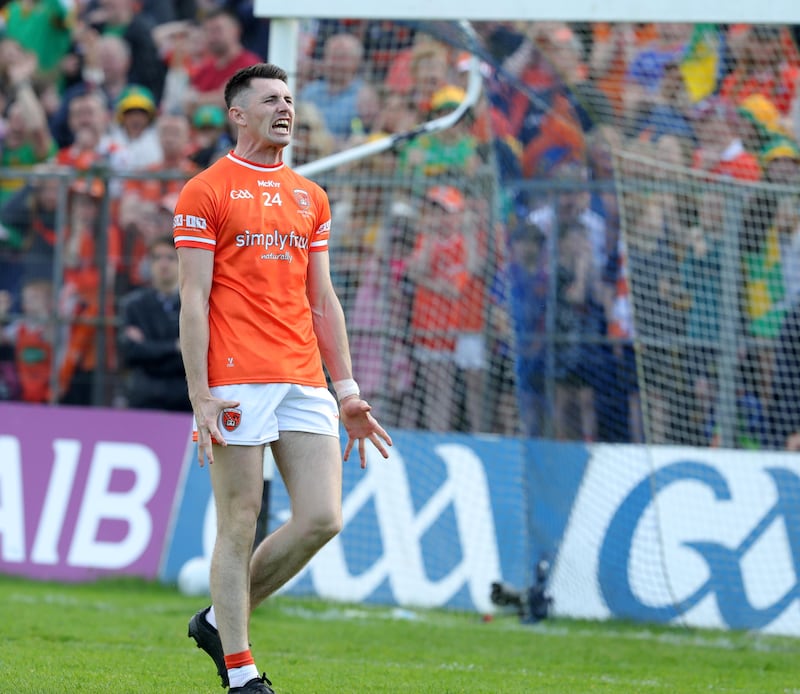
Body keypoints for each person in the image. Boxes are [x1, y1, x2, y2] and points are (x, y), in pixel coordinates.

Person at [174, 63, 392, 694]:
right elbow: (194, 301)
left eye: (290, 99)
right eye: (270, 99)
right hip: (235, 377)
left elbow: (322, 299)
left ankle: (219, 621)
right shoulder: (205, 190)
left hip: (302, 377)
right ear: (237, 113)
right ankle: (242, 674)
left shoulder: (310, 196)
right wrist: (200, 395)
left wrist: (347, 390)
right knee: (240, 518)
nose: (286, 108)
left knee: (322, 518)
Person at [118, 235, 189, 410]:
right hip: (146, 398)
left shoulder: (194, 304)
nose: (163, 264)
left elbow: (199, 353)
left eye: (170, 258)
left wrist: (151, 347)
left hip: (185, 398)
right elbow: (131, 352)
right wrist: (175, 347)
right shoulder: (134, 305)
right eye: (157, 258)